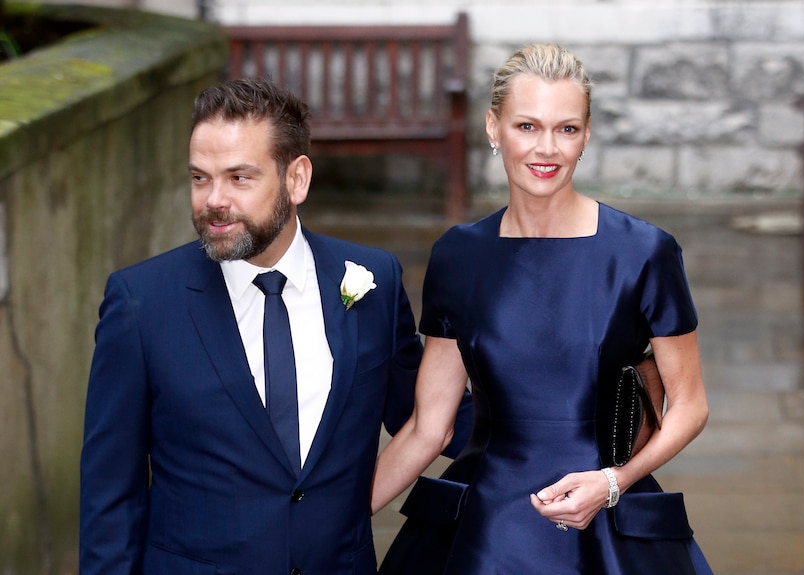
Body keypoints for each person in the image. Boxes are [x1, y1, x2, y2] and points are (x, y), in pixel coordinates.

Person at [79, 77, 469, 575]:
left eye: (239, 178)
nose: (214, 200)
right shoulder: (140, 302)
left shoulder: (375, 282)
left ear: (296, 179)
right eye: (200, 178)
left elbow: (425, 411)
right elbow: (110, 496)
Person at [372, 44, 713, 574]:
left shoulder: (644, 253)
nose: (546, 148)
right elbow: (429, 428)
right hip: (485, 525)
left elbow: (689, 406)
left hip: (603, 517)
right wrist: (329, 517)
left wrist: (613, 483)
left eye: (567, 129)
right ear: (493, 127)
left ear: (587, 133)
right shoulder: (458, 255)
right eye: (527, 126)